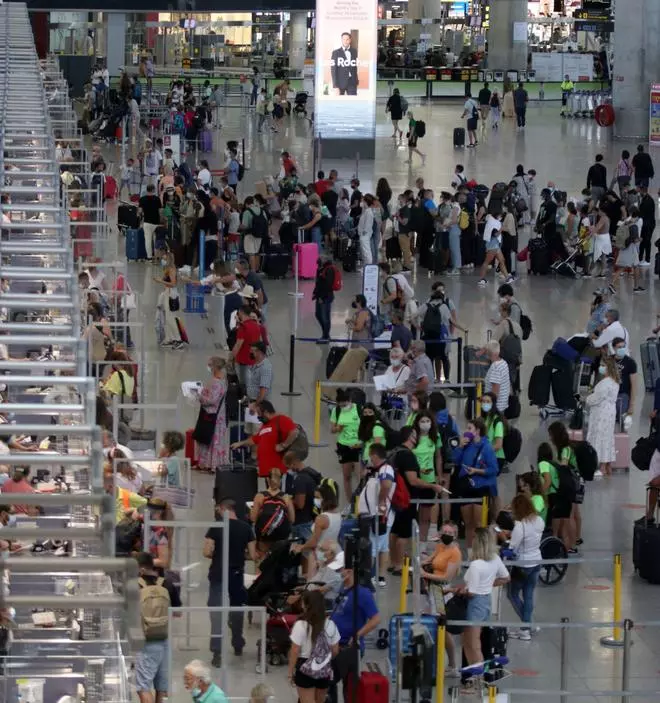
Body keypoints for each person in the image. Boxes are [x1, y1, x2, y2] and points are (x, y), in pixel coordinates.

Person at [455, 527, 509, 694]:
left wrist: (457, 591)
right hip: (486, 602)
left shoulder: (476, 565)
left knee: (473, 646)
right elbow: (506, 577)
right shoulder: (495, 559)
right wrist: (489, 584)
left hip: (475, 604)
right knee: (470, 644)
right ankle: (473, 679)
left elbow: (470, 592)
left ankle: (479, 682)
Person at [203, 498, 256, 667]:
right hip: (236, 573)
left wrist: (218, 555)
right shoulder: (246, 528)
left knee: (216, 612)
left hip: (218, 573)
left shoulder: (216, 527)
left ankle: (217, 652)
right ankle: (238, 643)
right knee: (236, 608)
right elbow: (253, 556)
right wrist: (240, 555)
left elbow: (206, 551)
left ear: (222, 509)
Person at [389, 426, 445, 573]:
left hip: (394, 499)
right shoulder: (407, 455)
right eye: (415, 434)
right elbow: (413, 481)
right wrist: (432, 486)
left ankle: (393, 561)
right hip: (405, 499)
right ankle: (400, 566)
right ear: (411, 437)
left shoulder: (396, 451)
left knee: (394, 531)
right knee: (404, 533)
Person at [330, 554, 380, 703]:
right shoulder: (342, 588)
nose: (337, 574)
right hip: (335, 644)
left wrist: (357, 635)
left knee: (346, 687)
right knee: (330, 682)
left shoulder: (362, 594)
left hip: (349, 647)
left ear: (350, 571)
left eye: (340, 570)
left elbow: (376, 619)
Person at [135, 552, 182, 703]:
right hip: (164, 639)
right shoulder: (167, 583)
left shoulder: (134, 585)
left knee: (143, 687)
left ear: (140, 569)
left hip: (145, 640)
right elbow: (178, 612)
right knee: (162, 687)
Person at [451, 418, 498, 548]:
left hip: (480, 488)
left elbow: (494, 469)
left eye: (469, 428)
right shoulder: (466, 445)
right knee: (468, 524)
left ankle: (481, 552)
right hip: (466, 487)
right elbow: (454, 459)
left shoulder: (487, 447)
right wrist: (460, 446)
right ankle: (470, 552)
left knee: (479, 524)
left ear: (477, 431)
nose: (466, 431)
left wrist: (476, 470)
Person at [288, 590, 340, 700]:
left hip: (305, 668)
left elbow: (295, 650)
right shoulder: (331, 624)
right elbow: (335, 650)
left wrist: (290, 671)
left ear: (306, 605)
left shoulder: (301, 625)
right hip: (324, 668)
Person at [505, 493, 544, 641]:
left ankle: (527, 627)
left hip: (522, 564)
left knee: (512, 594)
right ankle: (528, 626)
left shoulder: (520, 526)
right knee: (528, 595)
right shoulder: (539, 521)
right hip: (537, 561)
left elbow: (513, 548)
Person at [231, 400, 301, 481]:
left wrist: (283, 445)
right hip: (267, 471)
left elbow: (294, 432)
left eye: (259, 414)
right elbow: (255, 439)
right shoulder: (265, 425)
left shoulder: (281, 419)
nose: (258, 416)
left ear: (266, 412)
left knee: (278, 491)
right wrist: (240, 443)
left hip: (278, 470)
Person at [361, 444, 396, 586]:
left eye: (370, 456)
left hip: (381, 515)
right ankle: (379, 577)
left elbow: (386, 485)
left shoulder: (386, 469)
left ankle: (370, 577)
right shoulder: (377, 470)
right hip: (378, 514)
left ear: (375, 455)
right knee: (382, 546)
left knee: (374, 546)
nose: (369, 459)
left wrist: (381, 503)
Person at [293, 483, 342, 576]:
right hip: (334, 552)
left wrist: (301, 547)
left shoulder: (321, 518)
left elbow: (313, 542)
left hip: (320, 556)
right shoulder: (338, 515)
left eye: (318, 497)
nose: (315, 500)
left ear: (325, 498)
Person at [548, 422, 581, 553]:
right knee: (575, 513)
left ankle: (571, 545)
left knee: (570, 514)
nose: (550, 438)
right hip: (577, 482)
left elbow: (564, 466)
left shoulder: (565, 449)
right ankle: (574, 540)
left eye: (551, 435)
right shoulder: (569, 446)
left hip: (571, 484)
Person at [586, 355, 620, 477]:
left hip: (601, 413)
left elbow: (596, 398)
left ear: (608, 367)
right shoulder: (614, 382)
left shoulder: (605, 384)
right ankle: (607, 465)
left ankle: (601, 466)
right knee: (607, 437)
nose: (600, 367)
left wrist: (587, 399)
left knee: (599, 437)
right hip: (610, 413)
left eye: (603, 365)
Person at [412, 411, 444, 542]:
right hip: (414, 479)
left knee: (425, 517)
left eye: (428, 421)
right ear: (417, 423)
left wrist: (439, 475)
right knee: (412, 514)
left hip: (429, 480)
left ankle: (423, 545)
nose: (425, 424)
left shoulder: (435, 436)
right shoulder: (413, 437)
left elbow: (438, 457)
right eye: (422, 421)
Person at [193, 356, 229, 473]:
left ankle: (210, 464)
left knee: (210, 440)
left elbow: (211, 401)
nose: (208, 367)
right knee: (210, 440)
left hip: (213, 416)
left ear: (214, 367)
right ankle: (207, 463)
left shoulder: (217, 383)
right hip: (215, 416)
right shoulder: (218, 381)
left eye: (209, 365)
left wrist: (199, 396)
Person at [251, 468, 294, 558]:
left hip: (264, 534)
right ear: (280, 480)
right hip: (281, 535)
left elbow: (253, 518)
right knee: (279, 559)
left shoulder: (260, 496)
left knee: (263, 559)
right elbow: (292, 519)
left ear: (267, 479)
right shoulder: (286, 497)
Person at [330, 388, 361, 502]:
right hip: (343, 446)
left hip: (358, 446)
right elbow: (332, 430)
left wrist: (361, 442)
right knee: (346, 476)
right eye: (341, 406)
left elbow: (365, 426)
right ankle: (350, 502)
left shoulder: (358, 409)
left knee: (359, 476)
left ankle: (361, 501)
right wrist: (338, 428)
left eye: (345, 405)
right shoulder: (336, 411)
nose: (343, 408)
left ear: (350, 401)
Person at [477, 212, 514, 286]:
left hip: (495, 244)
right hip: (492, 245)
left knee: (502, 260)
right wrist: (501, 229)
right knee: (487, 262)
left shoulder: (492, 221)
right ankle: (482, 279)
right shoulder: (493, 223)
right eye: (500, 215)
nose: (501, 217)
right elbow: (495, 234)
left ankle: (507, 277)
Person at [312, 258, 337, 344]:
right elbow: (318, 283)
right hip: (320, 296)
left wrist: (322, 297)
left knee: (325, 317)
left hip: (326, 297)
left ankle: (325, 336)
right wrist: (315, 293)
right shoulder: (320, 269)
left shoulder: (329, 269)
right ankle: (325, 334)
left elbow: (328, 285)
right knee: (318, 314)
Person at [483, 341, 511, 415]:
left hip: (496, 407)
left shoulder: (495, 367)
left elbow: (495, 391)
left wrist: (489, 406)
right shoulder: (503, 363)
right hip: (502, 403)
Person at [138, 184, 162, 261]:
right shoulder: (157, 199)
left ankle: (149, 257)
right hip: (156, 222)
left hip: (147, 222)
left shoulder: (142, 199)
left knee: (148, 240)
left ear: (147, 190)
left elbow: (140, 212)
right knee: (156, 240)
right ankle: (156, 256)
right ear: (153, 190)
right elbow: (160, 211)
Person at [638, 185, 656, 265]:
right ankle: (640, 258)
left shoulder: (648, 200)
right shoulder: (645, 199)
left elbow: (644, 213)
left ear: (642, 191)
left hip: (648, 224)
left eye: (639, 191)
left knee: (647, 241)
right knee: (643, 241)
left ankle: (647, 260)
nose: (639, 193)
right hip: (646, 223)